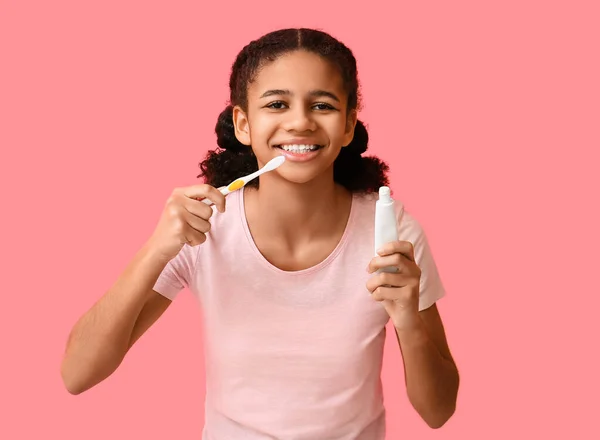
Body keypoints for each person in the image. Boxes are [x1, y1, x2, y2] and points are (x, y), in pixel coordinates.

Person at [61, 28, 459, 439]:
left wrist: (408, 319)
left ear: (347, 124)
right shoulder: (205, 227)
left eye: (322, 105)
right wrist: (156, 249)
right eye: (277, 104)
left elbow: (438, 411)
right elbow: (77, 374)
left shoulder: (391, 233)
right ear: (243, 124)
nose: (300, 122)